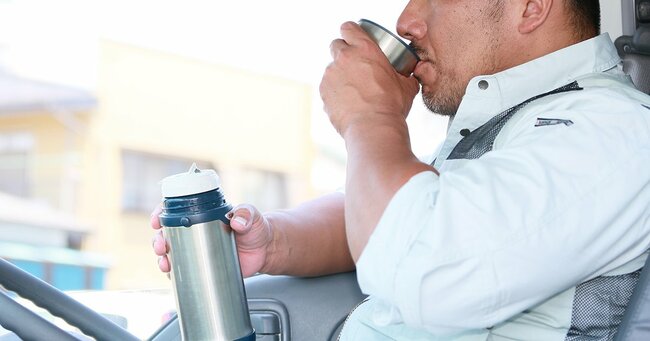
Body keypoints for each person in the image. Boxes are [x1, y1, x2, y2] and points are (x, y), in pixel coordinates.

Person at [152, 0, 650, 339]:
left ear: (532, 6)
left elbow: (425, 268)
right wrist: (274, 241)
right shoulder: (516, 120)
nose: (407, 20)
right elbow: (398, 213)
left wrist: (370, 118)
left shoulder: (614, 130)